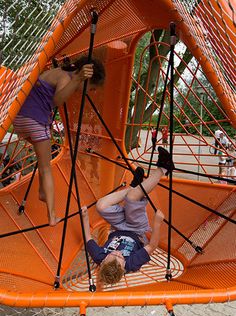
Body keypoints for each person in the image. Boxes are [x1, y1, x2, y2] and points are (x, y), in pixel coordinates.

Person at [13, 56, 105, 226]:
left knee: (43, 157)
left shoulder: (58, 72)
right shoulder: (67, 77)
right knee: (46, 168)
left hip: (19, 120)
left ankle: (42, 191)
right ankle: (52, 215)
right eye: (91, 88)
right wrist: (77, 79)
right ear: (86, 77)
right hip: (35, 121)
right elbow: (58, 100)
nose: (89, 92)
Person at [82, 147, 175, 286]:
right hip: (136, 230)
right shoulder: (131, 263)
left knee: (100, 206)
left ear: (102, 262)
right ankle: (164, 168)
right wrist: (157, 223)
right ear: (123, 267)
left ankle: (133, 188)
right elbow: (151, 246)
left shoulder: (99, 257)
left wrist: (84, 217)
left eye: (112, 254)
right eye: (120, 257)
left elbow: (88, 238)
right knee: (132, 198)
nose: (118, 253)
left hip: (117, 227)